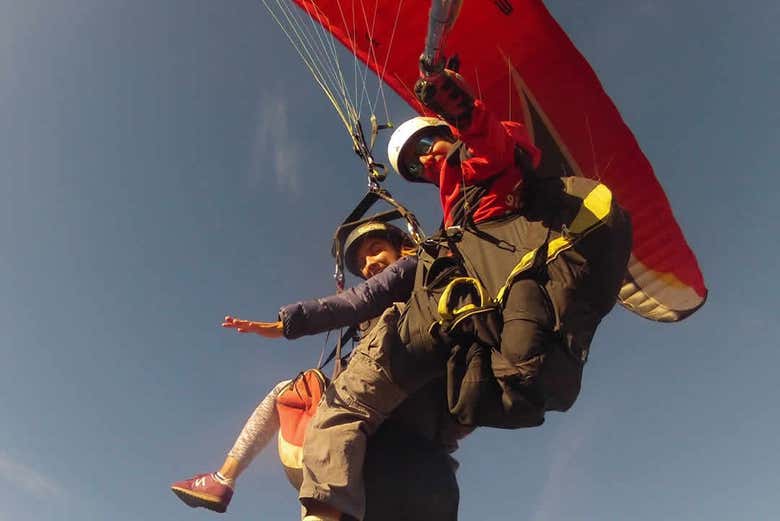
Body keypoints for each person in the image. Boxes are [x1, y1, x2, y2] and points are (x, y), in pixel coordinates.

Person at [296, 68, 632, 521]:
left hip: (427, 421)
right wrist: (291, 322)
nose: (424, 161)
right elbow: (359, 302)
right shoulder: (458, 226)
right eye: (414, 166)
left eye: (422, 148)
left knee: (362, 413)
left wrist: (461, 111)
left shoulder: (470, 172)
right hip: (413, 419)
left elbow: (492, 147)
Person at [170, 222, 463, 521]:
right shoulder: (440, 294)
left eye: (376, 251)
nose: (370, 264)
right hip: (425, 457)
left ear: (401, 247)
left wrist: (286, 325)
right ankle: (223, 480)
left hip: (395, 422)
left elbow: (358, 301)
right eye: (362, 262)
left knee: (299, 395)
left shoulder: (412, 269)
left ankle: (224, 479)